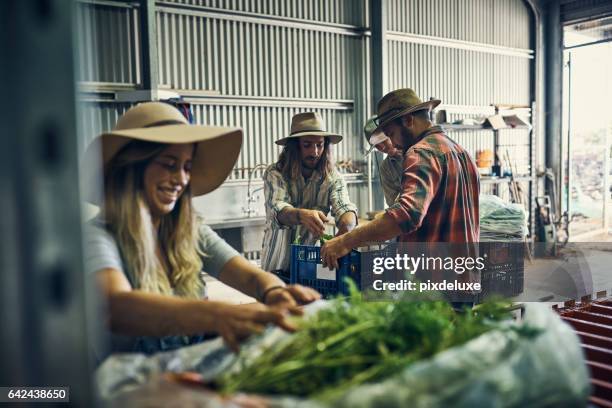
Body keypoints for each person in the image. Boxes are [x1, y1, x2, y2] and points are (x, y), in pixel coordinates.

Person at [82, 102, 320, 355]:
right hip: (128, 389)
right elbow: (116, 307)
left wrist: (274, 291)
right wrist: (218, 314)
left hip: (182, 377)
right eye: (169, 164)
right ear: (132, 167)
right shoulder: (96, 237)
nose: (182, 179)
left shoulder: (187, 230)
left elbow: (248, 276)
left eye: (187, 167)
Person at [322, 88, 480, 269]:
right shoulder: (461, 152)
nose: (393, 144)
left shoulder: (421, 152)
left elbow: (406, 215)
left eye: (390, 134)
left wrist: (345, 241)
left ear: (408, 120)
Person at [260, 112, 358, 278]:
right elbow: (278, 209)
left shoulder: (332, 178)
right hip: (275, 265)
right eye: (307, 145)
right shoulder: (275, 173)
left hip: (309, 268)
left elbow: (345, 208)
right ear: (294, 146)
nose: (314, 152)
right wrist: (300, 215)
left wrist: (342, 238)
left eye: (320, 145)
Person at [364, 116, 403, 207]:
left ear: (391, 134)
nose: (382, 147)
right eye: (376, 146)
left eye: (383, 141)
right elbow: (392, 203)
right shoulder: (386, 168)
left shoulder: (417, 152)